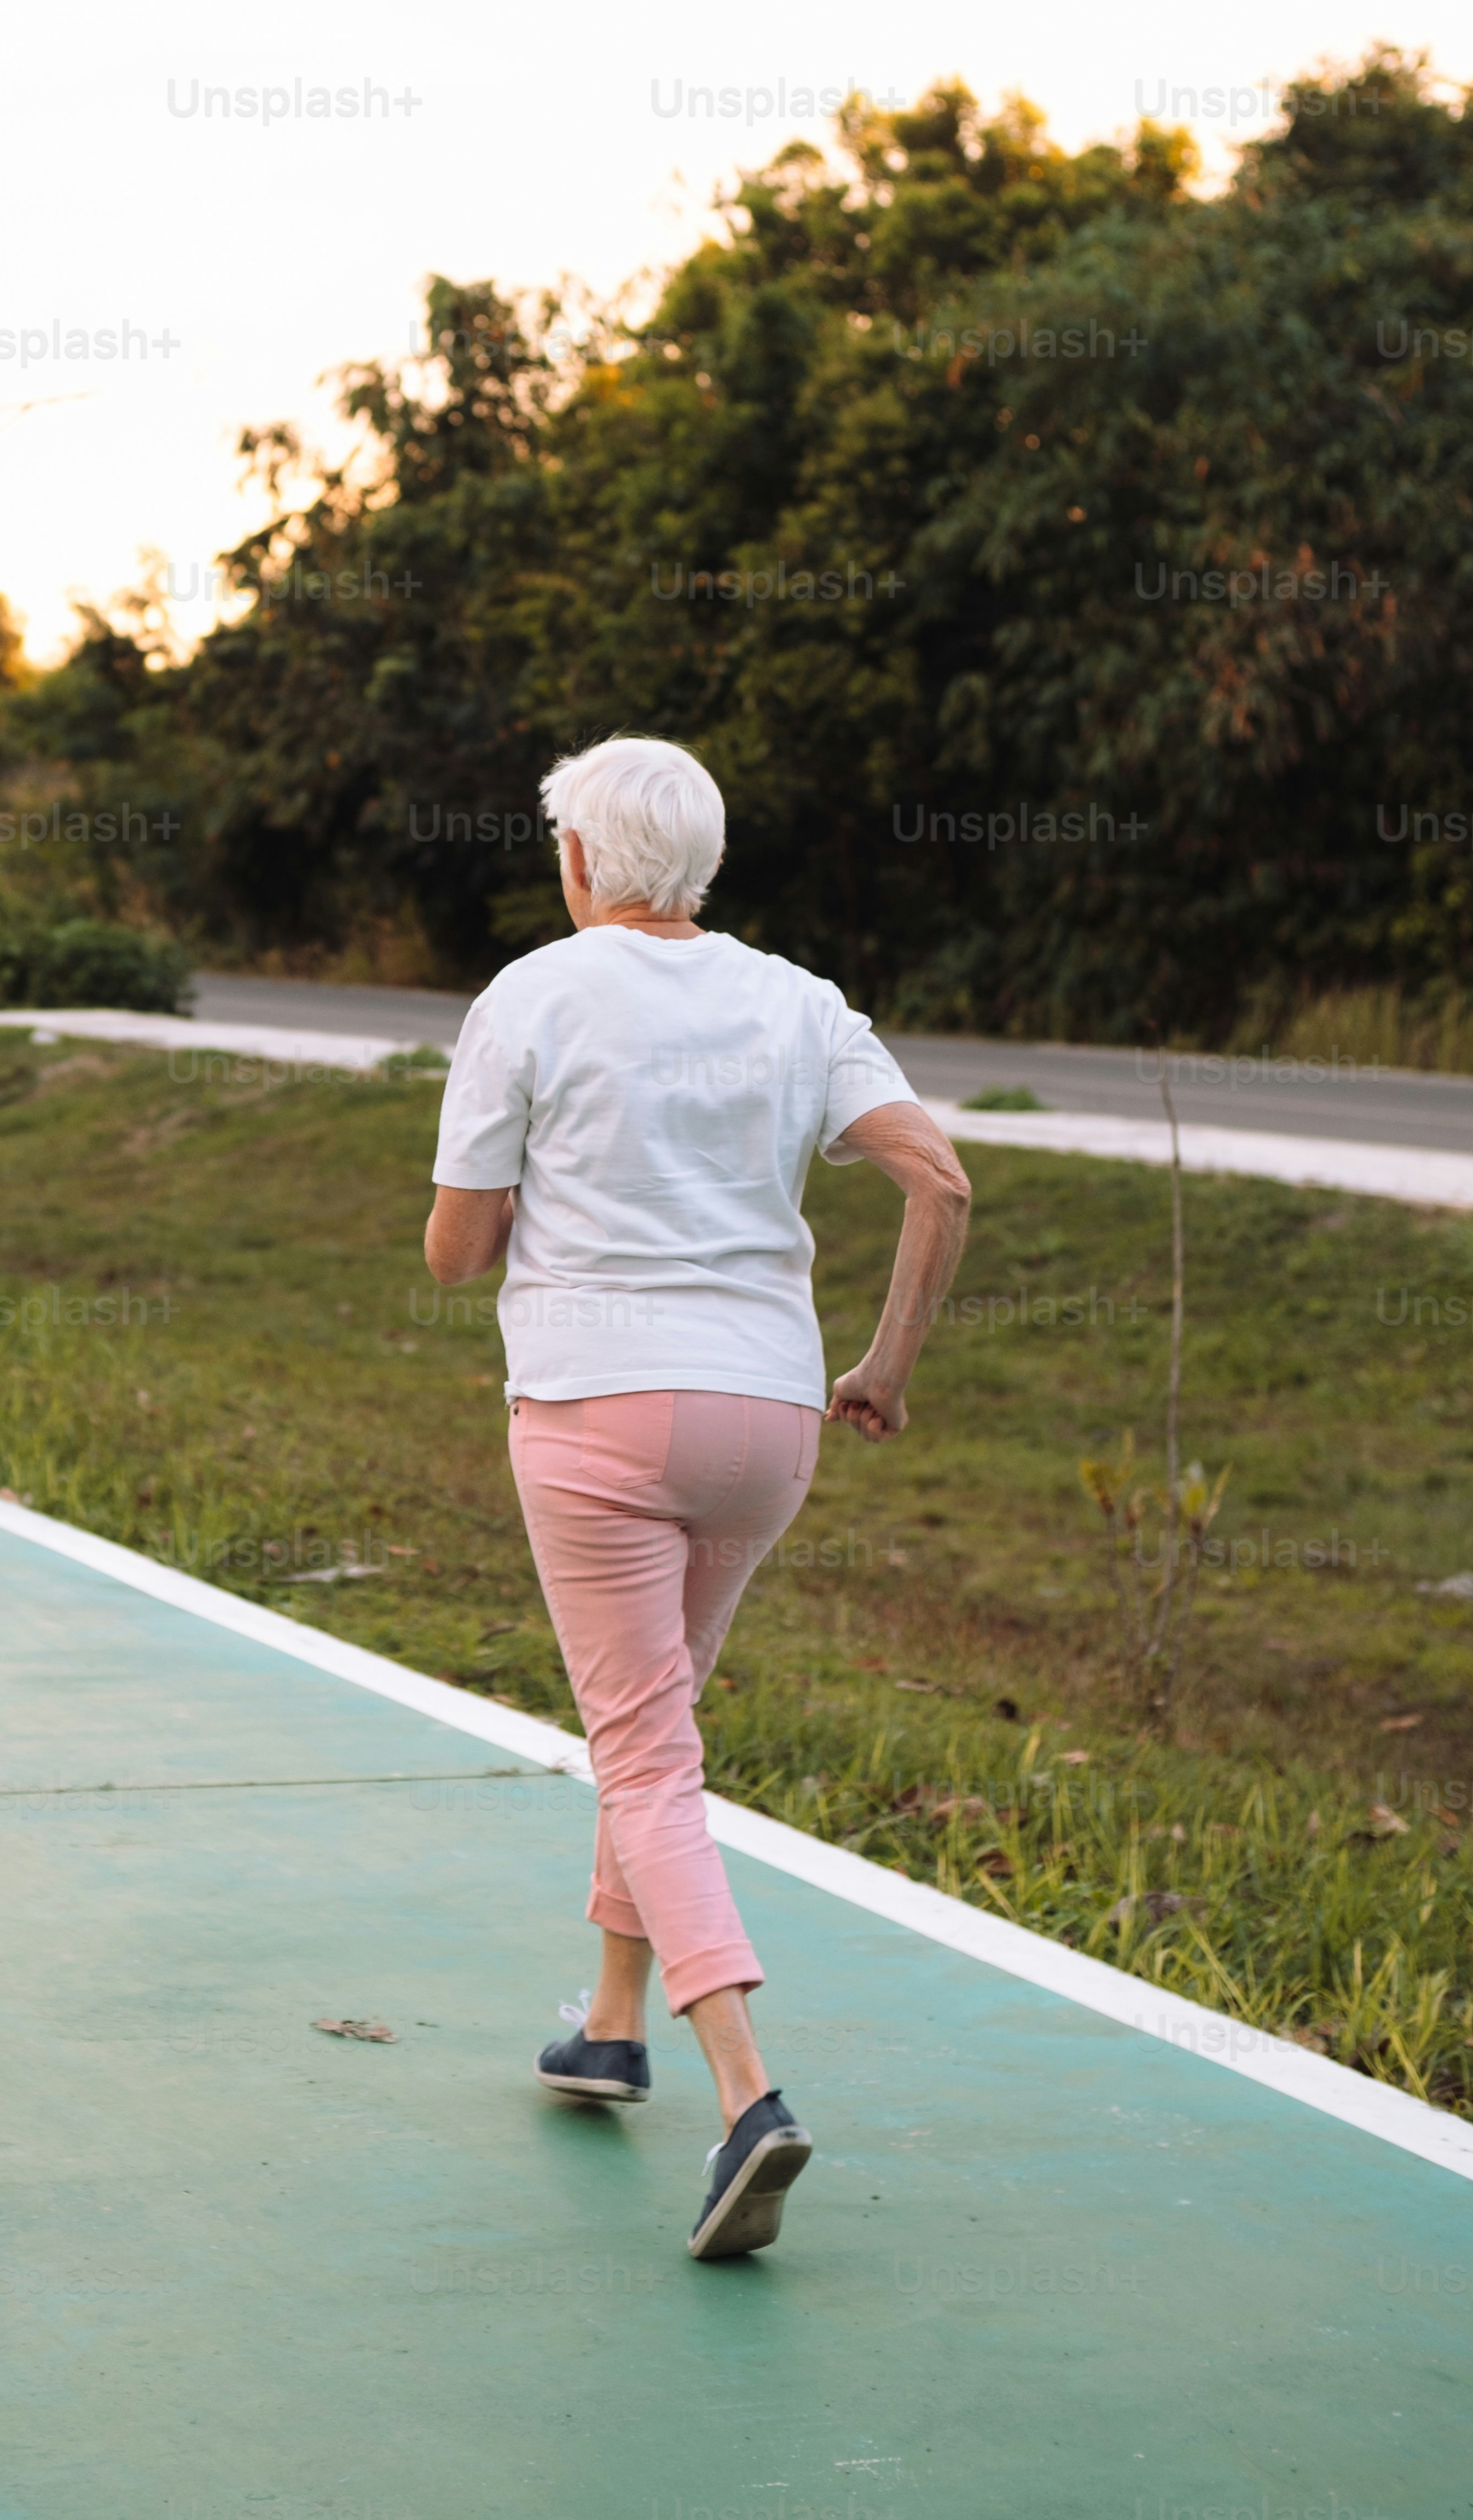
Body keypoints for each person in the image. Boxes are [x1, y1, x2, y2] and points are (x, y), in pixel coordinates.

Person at [424, 735, 971, 2260]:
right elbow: (940, 1182)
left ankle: (746, 2097)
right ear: (705, 865)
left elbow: (455, 1255)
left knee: (645, 1754)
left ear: (577, 860)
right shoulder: (799, 1002)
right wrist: (885, 1368)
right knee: (656, 1723)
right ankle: (609, 2024)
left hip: (597, 1415)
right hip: (769, 1423)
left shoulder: (531, 994)